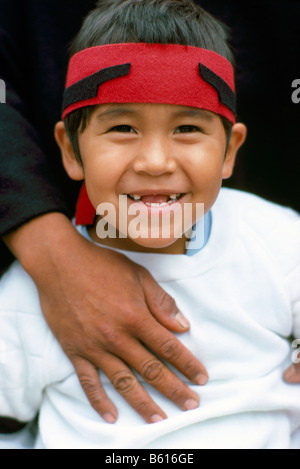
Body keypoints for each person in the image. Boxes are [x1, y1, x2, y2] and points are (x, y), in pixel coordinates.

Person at [0, 0, 299, 450]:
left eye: (186, 130)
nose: (155, 162)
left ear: (230, 150)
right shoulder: (29, 295)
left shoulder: (279, 243)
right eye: (122, 127)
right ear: (69, 149)